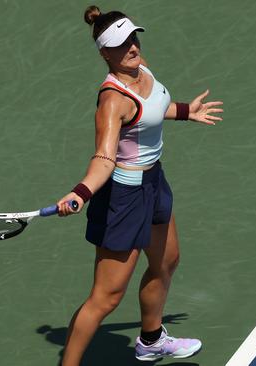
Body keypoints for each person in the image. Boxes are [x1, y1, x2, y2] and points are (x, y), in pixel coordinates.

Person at [55, 5, 223, 365]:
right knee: (106, 297)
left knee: (166, 262)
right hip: (124, 196)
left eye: (133, 37)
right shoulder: (112, 99)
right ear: (104, 53)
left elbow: (150, 109)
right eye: (121, 43)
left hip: (154, 183)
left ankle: (151, 340)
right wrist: (81, 192)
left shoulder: (141, 70)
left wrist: (183, 111)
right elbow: (104, 157)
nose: (132, 46)